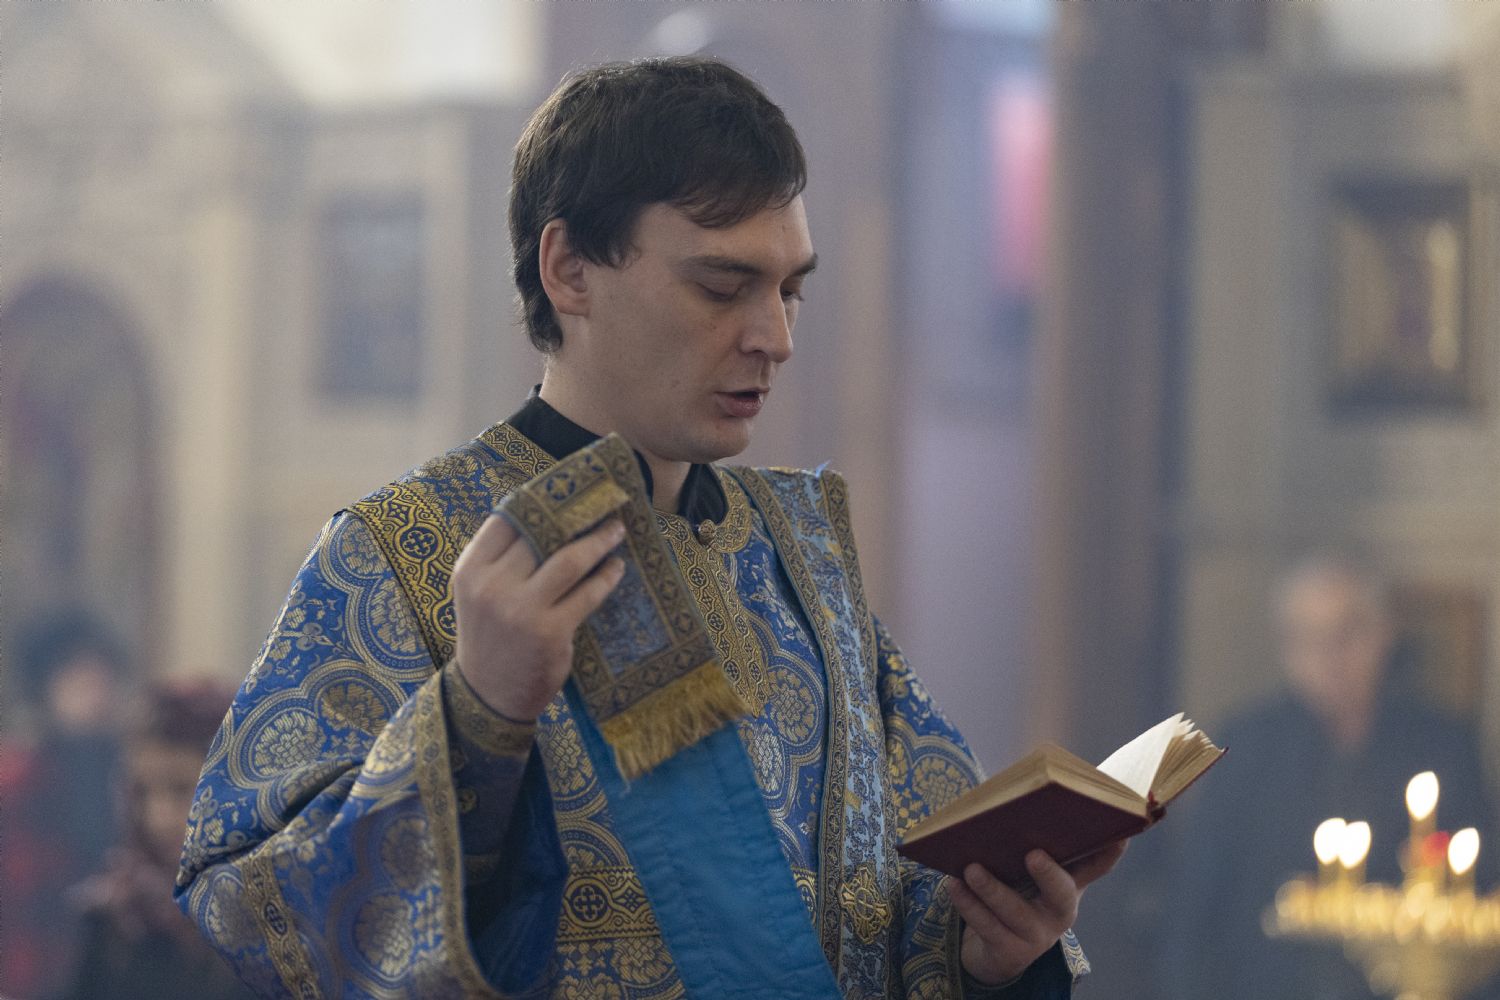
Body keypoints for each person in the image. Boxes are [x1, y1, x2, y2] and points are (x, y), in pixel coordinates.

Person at [176, 56, 1121, 999]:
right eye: (723, 286)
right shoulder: (402, 552)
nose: (776, 336)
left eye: (790, 289)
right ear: (569, 269)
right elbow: (248, 921)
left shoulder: (805, 558)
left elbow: (894, 906)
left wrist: (986, 953)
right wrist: (476, 715)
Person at [1165, 552, 1496, 1000]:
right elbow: (1196, 907)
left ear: (1384, 632)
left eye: (1348, 632)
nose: (1329, 657)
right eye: (1307, 638)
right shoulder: (1246, 747)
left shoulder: (1441, 745)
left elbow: (1477, 905)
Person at [59, 680, 256, 1000]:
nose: (158, 817)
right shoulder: (118, 921)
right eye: (142, 792)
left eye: (180, 789)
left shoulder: (278, 916)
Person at [0, 611, 127, 999]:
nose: (93, 688)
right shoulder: (18, 782)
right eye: (76, 675)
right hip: (34, 971)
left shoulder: (130, 772)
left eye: (100, 674)